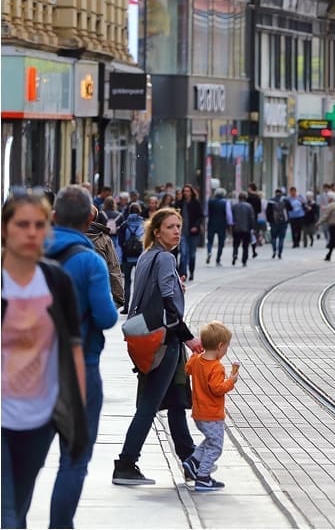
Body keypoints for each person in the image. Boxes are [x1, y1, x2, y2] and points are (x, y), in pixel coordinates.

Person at [2, 191, 87, 529]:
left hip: (39, 419)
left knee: (18, 510)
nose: (31, 232)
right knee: (6, 516)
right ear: (5, 229)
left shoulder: (56, 281)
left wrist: (76, 416)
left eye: (39, 224)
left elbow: (73, 349)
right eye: (22, 224)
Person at [42, 187, 120, 528]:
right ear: (91, 218)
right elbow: (106, 317)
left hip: (28, 371)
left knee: (18, 463)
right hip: (79, 370)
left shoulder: (23, 251)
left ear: (53, 216)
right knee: (73, 461)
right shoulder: (90, 260)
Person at [113, 207, 202, 486]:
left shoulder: (146, 257)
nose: (176, 231)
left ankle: (190, 462)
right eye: (170, 227)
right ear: (156, 231)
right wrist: (188, 336)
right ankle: (126, 464)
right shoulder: (164, 258)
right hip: (166, 341)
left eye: (178, 226)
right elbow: (166, 301)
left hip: (150, 338)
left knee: (176, 402)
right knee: (149, 405)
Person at [183, 321, 240, 493]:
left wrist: (194, 355)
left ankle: (192, 462)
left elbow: (187, 369)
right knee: (216, 446)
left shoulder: (197, 361)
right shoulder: (216, 367)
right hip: (212, 414)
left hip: (199, 413)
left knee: (210, 440)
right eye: (226, 348)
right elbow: (217, 389)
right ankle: (203, 477)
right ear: (220, 346)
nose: (226, 351)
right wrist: (231, 381)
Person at [86, 206, 126, 310]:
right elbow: (114, 268)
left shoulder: (71, 236)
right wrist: (119, 298)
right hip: (99, 290)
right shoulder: (104, 239)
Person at [118, 203, 146, 307]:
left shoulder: (124, 225)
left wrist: (120, 259)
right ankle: (138, 306)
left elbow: (120, 243)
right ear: (139, 212)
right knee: (139, 283)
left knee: (127, 282)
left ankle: (126, 306)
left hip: (126, 257)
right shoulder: (143, 224)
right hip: (140, 257)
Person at [176, 185, 204, 281]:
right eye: (184, 191)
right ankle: (183, 274)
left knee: (192, 255)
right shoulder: (179, 204)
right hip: (182, 232)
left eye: (188, 191)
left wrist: (196, 226)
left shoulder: (196, 203)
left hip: (193, 233)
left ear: (191, 192)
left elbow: (200, 217)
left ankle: (191, 271)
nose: (186, 193)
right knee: (183, 254)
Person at [205, 188, 230, 267]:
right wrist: (230, 224)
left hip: (211, 223)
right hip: (222, 224)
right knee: (221, 243)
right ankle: (218, 259)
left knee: (210, 241)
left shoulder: (210, 201)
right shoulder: (225, 202)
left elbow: (206, 213)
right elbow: (228, 214)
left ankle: (209, 252)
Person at [230, 193, 255, 267]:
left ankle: (235, 254)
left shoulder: (234, 206)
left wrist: (231, 227)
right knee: (245, 246)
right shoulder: (249, 206)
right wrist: (252, 227)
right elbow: (251, 218)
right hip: (246, 229)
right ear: (245, 198)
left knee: (236, 244)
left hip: (236, 228)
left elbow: (231, 217)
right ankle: (244, 260)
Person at [265, 189, 289, 259]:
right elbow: (291, 208)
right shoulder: (285, 200)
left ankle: (274, 251)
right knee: (281, 238)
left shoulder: (271, 201)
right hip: (283, 222)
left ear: (275, 193)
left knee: (273, 237)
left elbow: (267, 212)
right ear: (281, 193)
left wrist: (269, 220)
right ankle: (280, 253)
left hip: (273, 222)